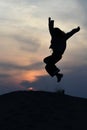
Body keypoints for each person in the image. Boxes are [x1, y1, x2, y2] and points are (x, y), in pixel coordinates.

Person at [43, 17, 80, 82]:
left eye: (54, 32)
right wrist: (50, 22)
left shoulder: (63, 37)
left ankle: (58, 75)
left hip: (57, 55)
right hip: (55, 55)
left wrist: (76, 30)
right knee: (46, 62)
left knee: (47, 65)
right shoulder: (56, 36)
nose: (53, 33)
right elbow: (51, 29)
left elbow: (71, 33)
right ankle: (58, 75)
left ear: (57, 32)